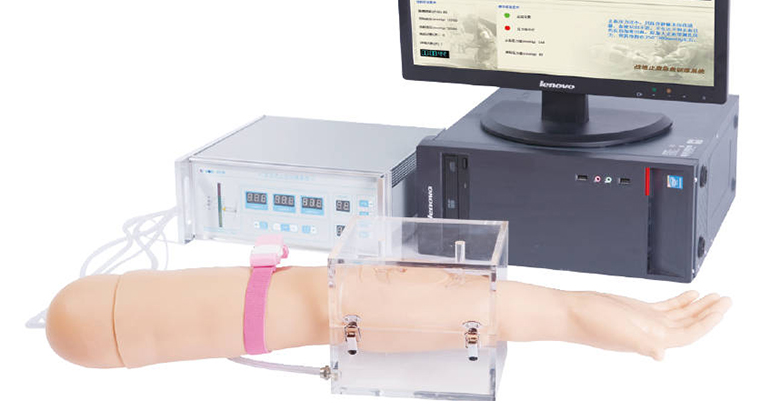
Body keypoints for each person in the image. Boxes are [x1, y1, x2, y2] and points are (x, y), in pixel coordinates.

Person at [45, 263, 731, 369]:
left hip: (326, 298)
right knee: (326, 301)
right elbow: (334, 305)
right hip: (333, 301)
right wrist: (571, 312)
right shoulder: (80, 320)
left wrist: (572, 311)